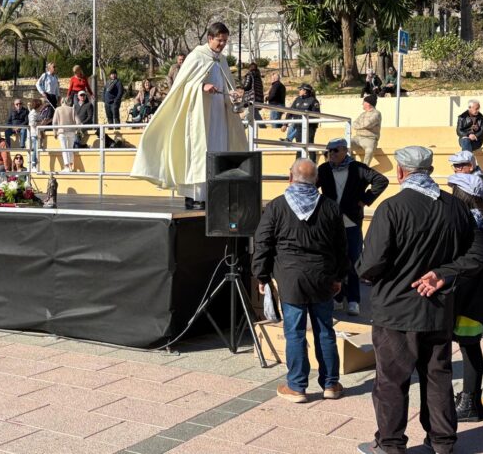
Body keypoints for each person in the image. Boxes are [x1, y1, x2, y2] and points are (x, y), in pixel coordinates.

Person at [356, 146, 483, 454]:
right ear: (429, 169)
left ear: (400, 171)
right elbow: (478, 255)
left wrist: (363, 271)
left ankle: (390, 444)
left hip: (396, 310)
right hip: (437, 307)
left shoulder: (392, 208)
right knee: (437, 375)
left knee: (391, 379)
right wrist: (444, 273)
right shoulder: (455, 207)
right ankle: (442, 441)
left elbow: (371, 264)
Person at [253, 158, 348, 403]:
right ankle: (331, 384)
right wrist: (339, 276)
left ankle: (297, 386)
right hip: (322, 276)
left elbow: (263, 242)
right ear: (316, 180)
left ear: (290, 177)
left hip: (290, 276)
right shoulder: (329, 206)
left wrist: (261, 275)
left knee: (294, 332)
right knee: (325, 330)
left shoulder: (277, 206)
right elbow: (341, 246)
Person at [131, 22, 248, 210]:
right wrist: (202, 86)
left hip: (220, 115)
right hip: (199, 115)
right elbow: (182, 85)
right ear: (210, 38)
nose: (222, 45)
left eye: (225, 41)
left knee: (219, 151)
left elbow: (227, 85)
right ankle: (194, 196)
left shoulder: (222, 60)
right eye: (220, 41)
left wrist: (233, 94)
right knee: (199, 153)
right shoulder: (196, 57)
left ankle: (214, 194)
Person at [316, 138, 388, 317]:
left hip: (351, 221)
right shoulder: (324, 169)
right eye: (328, 151)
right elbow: (311, 186)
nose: (330, 154)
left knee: (353, 260)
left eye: (334, 150)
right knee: (333, 259)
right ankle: (338, 298)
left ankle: (354, 300)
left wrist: (365, 200)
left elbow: (381, 180)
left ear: (344, 150)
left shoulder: (358, 168)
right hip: (331, 221)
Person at [446, 173, 483, 423]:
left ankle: (469, 403)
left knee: (468, 346)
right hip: (478, 291)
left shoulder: (468, 220)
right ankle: (472, 399)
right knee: (470, 346)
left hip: (468, 293)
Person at [281, 84, 320, 161]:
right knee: (299, 146)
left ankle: (313, 164)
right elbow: (290, 112)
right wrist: (285, 124)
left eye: (300, 89)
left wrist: (306, 122)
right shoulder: (297, 99)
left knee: (310, 144)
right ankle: (297, 165)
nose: (299, 91)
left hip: (310, 127)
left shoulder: (313, 101)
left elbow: (316, 115)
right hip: (298, 127)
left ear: (305, 91)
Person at [351, 95, 382, 166]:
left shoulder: (376, 113)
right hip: (357, 138)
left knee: (369, 151)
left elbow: (367, 124)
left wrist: (359, 125)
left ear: (368, 103)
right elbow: (354, 124)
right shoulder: (362, 114)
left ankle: (364, 169)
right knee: (344, 145)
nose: (362, 104)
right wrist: (361, 126)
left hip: (370, 139)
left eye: (363, 102)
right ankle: (350, 165)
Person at [52, 96, 77, 172]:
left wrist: (54, 132)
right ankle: (71, 166)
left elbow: (54, 122)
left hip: (62, 131)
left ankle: (66, 166)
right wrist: (77, 129)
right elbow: (78, 121)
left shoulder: (58, 109)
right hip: (71, 131)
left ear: (61, 102)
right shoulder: (72, 109)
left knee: (64, 149)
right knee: (70, 149)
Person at [27, 98, 41, 171]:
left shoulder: (37, 112)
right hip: (33, 133)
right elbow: (32, 123)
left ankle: (35, 164)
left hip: (36, 133)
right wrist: (41, 123)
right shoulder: (33, 113)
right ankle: (33, 164)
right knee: (35, 149)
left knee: (36, 149)